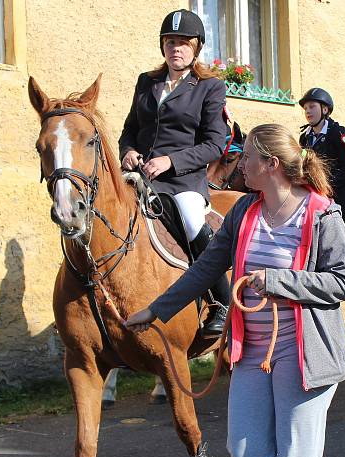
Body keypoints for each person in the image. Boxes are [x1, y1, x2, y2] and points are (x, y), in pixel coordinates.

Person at [124, 123, 345, 457]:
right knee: (247, 453)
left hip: (305, 352)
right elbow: (208, 267)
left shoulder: (321, 214)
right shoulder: (247, 212)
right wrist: (157, 309)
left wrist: (279, 282)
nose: (239, 163)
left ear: (270, 164)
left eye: (246, 155)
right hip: (252, 349)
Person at [118, 8, 229, 338]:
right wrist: (128, 151)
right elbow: (129, 129)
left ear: (196, 47)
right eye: (170, 42)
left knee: (192, 217)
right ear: (162, 46)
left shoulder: (209, 87)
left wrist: (171, 161)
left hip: (184, 181)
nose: (175, 48)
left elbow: (214, 145)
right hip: (141, 176)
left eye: (183, 43)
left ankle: (221, 303)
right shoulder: (147, 82)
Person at [298, 87, 345, 296]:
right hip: (316, 192)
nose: (308, 111)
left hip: (340, 190)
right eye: (305, 108)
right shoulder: (305, 138)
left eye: (312, 107)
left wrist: (326, 185)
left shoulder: (339, 133)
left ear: (325, 109)